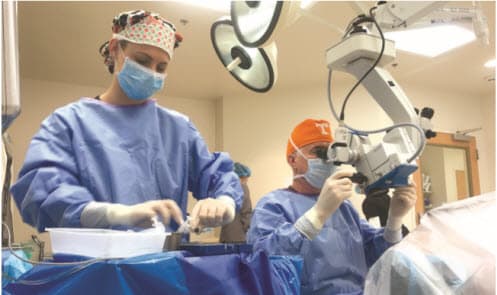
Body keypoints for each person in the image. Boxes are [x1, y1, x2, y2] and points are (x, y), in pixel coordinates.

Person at [10, 10, 242, 233]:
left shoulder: (178, 129)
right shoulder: (68, 124)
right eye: (142, 61)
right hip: (94, 267)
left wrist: (224, 202)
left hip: (166, 265)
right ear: (115, 50)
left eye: (161, 67)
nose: (152, 72)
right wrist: (115, 215)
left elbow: (216, 174)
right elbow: (41, 191)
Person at [247, 119, 417, 295]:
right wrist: (316, 216)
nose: (327, 159)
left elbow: (377, 257)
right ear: (293, 159)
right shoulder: (273, 205)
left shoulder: (344, 207)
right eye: (318, 152)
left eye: (331, 152)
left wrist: (394, 221)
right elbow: (264, 260)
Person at [220, 162, 252, 243]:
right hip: (239, 237)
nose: (247, 180)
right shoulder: (243, 187)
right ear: (243, 176)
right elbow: (246, 212)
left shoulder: (227, 188)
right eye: (246, 178)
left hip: (225, 235)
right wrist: (250, 230)